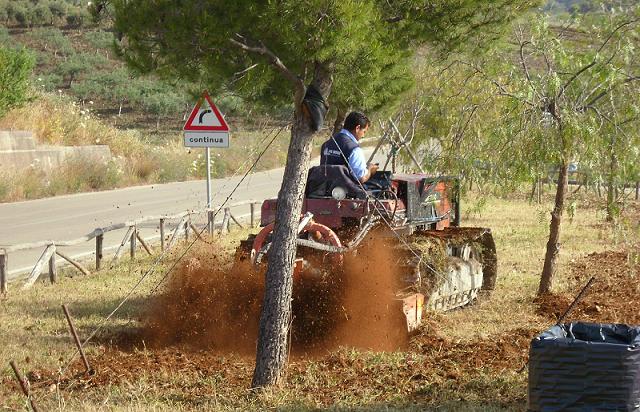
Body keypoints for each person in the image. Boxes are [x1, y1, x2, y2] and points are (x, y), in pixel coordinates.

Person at [320, 111, 378, 183]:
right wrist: (369, 168)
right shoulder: (354, 149)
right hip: (344, 191)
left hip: (322, 189)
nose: (363, 136)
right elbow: (361, 178)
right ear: (357, 128)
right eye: (364, 131)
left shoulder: (326, 144)